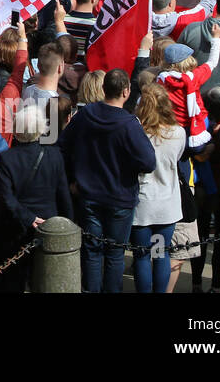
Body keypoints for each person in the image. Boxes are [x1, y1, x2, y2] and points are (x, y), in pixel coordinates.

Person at [58, 67, 157, 293]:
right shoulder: (129, 124)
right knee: (113, 254)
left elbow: (63, 146)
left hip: (90, 196)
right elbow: (148, 162)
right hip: (118, 198)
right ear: (126, 91)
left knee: (93, 251)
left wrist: (73, 178)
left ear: (104, 89)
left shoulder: (87, 115)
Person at [0, 105, 72, 293]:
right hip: (48, 228)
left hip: (14, 229)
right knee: (44, 282)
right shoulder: (55, 156)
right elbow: (63, 195)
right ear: (42, 129)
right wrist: (68, 225)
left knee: (13, 282)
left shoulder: (6, 158)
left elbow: (5, 197)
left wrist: (28, 218)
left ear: (16, 130)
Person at [130, 83, 186, 293]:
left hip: (143, 203)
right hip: (167, 204)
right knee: (161, 253)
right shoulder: (178, 133)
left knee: (142, 256)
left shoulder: (136, 133)